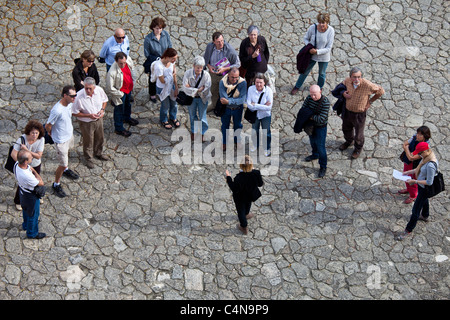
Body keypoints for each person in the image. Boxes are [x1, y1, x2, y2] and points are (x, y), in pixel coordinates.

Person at [338, 67, 384, 159]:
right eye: (354, 77)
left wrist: (370, 101)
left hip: (359, 114)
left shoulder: (367, 85)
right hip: (347, 111)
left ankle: (358, 149)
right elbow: (340, 88)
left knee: (359, 134)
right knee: (346, 129)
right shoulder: (347, 81)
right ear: (350, 77)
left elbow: (381, 91)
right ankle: (349, 141)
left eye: (359, 77)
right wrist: (343, 93)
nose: (356, 79)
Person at [395, 142, 439, 241]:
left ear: (426, 151)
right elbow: (419, 169)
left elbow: (429, 182)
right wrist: (408, 172)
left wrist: (414, 181)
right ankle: (425, 215)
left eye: (420, 153)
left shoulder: (430, 165)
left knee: (415, 211)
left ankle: (408, 230)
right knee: (424, 200)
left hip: (424, 188)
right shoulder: (426, 157)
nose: (418, 155)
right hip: (421, 187)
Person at [45, 85, 80, 198]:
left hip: (68, 136)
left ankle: (66, 169)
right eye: (72, 96)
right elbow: (48, 125)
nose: (75, 98)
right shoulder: (57, 110)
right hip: (61, 141)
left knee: (66, 155)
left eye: (75, 95)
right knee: (62, 163)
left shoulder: (69, 104)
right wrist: (51, 133)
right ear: (65, 96)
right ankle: (56, 184)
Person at [291, 12, 335, 95]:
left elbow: (328, 48)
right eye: (320, 22)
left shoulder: (331, 31)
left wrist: (317, 51)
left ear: (327, 22)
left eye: (323, 23)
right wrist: (309, 47)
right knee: (305, 71)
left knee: (322, 73)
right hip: (311, 55)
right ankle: (297, 86)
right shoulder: (312, 28)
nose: (321, 25)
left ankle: (319, 88)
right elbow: (306, 38)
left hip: (323, 57)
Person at [72, 77, 109, 169]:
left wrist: (102, 110)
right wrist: (88, 116)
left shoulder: (99, 90)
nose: (88, 90)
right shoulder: (78, 97)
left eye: (90, 88)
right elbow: (74, 112)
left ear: (94, 87)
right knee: (88, 141)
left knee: (100, 137)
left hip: (98, 119)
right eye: (86, 88)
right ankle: (88, 158)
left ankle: (98, 153)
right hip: (86, 123)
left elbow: (105, 100)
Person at [11, 120, 45, 211]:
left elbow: (38, 156)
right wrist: (22, 163)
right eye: (32, 133)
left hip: (35, 164)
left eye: (36, 133)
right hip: (24, 166)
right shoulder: (22, 139)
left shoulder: (41, 139)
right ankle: (18, 201)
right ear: (28, 132)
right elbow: (13, 154)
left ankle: (38, 195)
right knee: (22, 183)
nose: (34, 135)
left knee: (36, 180)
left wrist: (27, 150)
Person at [225, 155, 264, 235]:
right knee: (248, 204)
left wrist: (228, 177)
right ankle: (247, 214)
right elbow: (260, 184)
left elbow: (234, 188)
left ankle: (244, 226)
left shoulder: (238, 178)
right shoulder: (256, 173)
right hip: (251, 195)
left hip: (240, 197)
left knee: (240, 212)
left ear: (241, 165)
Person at [203, 31, 240, 112]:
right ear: (214, 42)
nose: (221, 43)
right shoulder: (210, 47)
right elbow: (205, 58)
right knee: (213, 90)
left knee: (224, 92)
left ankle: (225, 108)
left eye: (222, 40)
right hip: (213, 74)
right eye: (218, 42)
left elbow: (237, 64)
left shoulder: (230, 50)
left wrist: (225, 69)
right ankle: (214, 105)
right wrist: (209, 66)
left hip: (225, 75)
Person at [14, 149, 46, 239]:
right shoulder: (27, 176)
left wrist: (29, 168)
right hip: (30, 196)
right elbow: (41, 182)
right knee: (33, 215)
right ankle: (32, 233)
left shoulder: (16, 165)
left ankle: (26, 225)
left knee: (25, 210)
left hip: (22, 193)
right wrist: (34, 171)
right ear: (25, 162)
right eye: (30, 157)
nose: (32, 157)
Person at [105, 52, 139, 137]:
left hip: (128, 89)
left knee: (128, 105)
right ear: (116, 61)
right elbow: (110, 87)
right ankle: (119, 128)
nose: (123, 64)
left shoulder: (128, 61)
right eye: (121, 63)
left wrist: (133, 82)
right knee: (119, 110)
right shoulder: (112, 72)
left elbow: (132, 70)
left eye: (124, 62)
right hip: (120, 93)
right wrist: (119, 94)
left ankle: (127, 118)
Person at [301, 85, 330, 178]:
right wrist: (310, 115)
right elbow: (303, 109)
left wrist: (310, 116)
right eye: (311, 94)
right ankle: (315, 154)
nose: (313, 97)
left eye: (315, 95)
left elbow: (321, 118)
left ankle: (323, 166)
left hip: (321, 127)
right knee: (312, 142)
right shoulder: (309, 98)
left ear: (320, 91)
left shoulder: (325, 102)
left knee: (321, 147)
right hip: (310, 126)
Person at [398, 126, 431, 204]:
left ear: (425, 136)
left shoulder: (425, 147)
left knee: (412, 180)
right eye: (418, 133)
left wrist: (406, 149)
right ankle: (408, 189)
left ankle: (413, 195)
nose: (417, 136)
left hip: (415, 166)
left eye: (420, 135)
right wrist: (408, 151)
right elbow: (405, 144)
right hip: (408, 163)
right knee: (405, 176)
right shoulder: (414, 137)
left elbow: (411, 158)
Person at [144, 17, 173, 103]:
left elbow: (169, 47)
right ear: (153, 27)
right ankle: (152, 94)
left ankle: (163, 92)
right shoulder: (148, 38)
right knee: (153, 77)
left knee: (165, 76)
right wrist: (158, 61)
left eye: (160, 28)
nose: (159, 30)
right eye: (157, 28)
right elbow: (147, 53)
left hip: (166, 60)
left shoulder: (166, 35)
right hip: (154, 61)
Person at [182, 56, 212, 140]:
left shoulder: (206, 75)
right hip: (192, 98)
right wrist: (198, 89)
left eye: (201, 67)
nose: (199, 69)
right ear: (193, 66)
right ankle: (194, 131)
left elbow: (206, 88)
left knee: (202, 116)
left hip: (202, 98)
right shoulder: (188, 73)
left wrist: (191, 88)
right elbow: (185, 87)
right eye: (198, 67)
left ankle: (203, 132)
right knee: (192, 115)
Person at [219, 67, 247, 151]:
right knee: (225, 126)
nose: (235, 79)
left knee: (238, 126)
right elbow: (223, 98)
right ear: (228, 75)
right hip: (226, 109)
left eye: (236, 77)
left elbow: (242, 100)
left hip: (238, 109)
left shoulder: (243, 83)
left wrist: (229, 101)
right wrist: (234, 101)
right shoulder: (222, 82)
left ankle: (237, 141)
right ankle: (224, 142)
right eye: (232, 77)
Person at [246, 73, 273, 156]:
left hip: (265, 115)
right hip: (255, 115)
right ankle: (255, 145)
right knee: (254, 131)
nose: (258, 84)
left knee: (266, 132)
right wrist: (263, 106)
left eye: (260, 82)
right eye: (257, 82)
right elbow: (249, 105)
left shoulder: (269, 91)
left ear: (264, 82)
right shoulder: (250, 89)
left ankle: (266, 148)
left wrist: (256, 105)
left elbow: (269, 107)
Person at [153, 48, 179, 130]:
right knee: (165, 105)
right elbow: (162, 80)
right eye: (173, 58)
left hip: (171, 85)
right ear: (167, 57)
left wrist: (176, 87)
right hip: (162, 88)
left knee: (174, 103)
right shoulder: (158, 66)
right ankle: (163, 119)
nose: (174, 60)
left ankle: (173, 117)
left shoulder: (172, 62)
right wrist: (171, 76)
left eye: (175, 58)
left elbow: (174, 74)